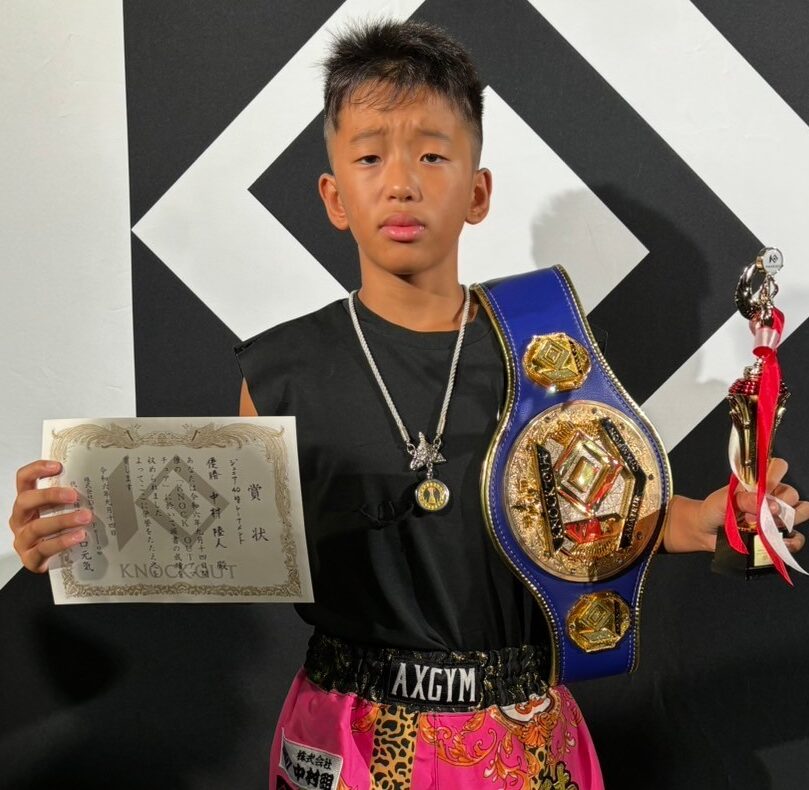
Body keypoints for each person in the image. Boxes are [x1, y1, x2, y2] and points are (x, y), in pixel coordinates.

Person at [9, 19, 807, 790]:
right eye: (369, 156)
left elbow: (596, 520)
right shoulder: (280, 370)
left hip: (521, 740)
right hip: (347, 739)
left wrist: (710, 522)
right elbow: (226, 537)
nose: (400, 182)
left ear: (477, 191)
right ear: (332, 196)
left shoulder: (545, 348)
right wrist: (76, 535)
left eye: (431, 154)